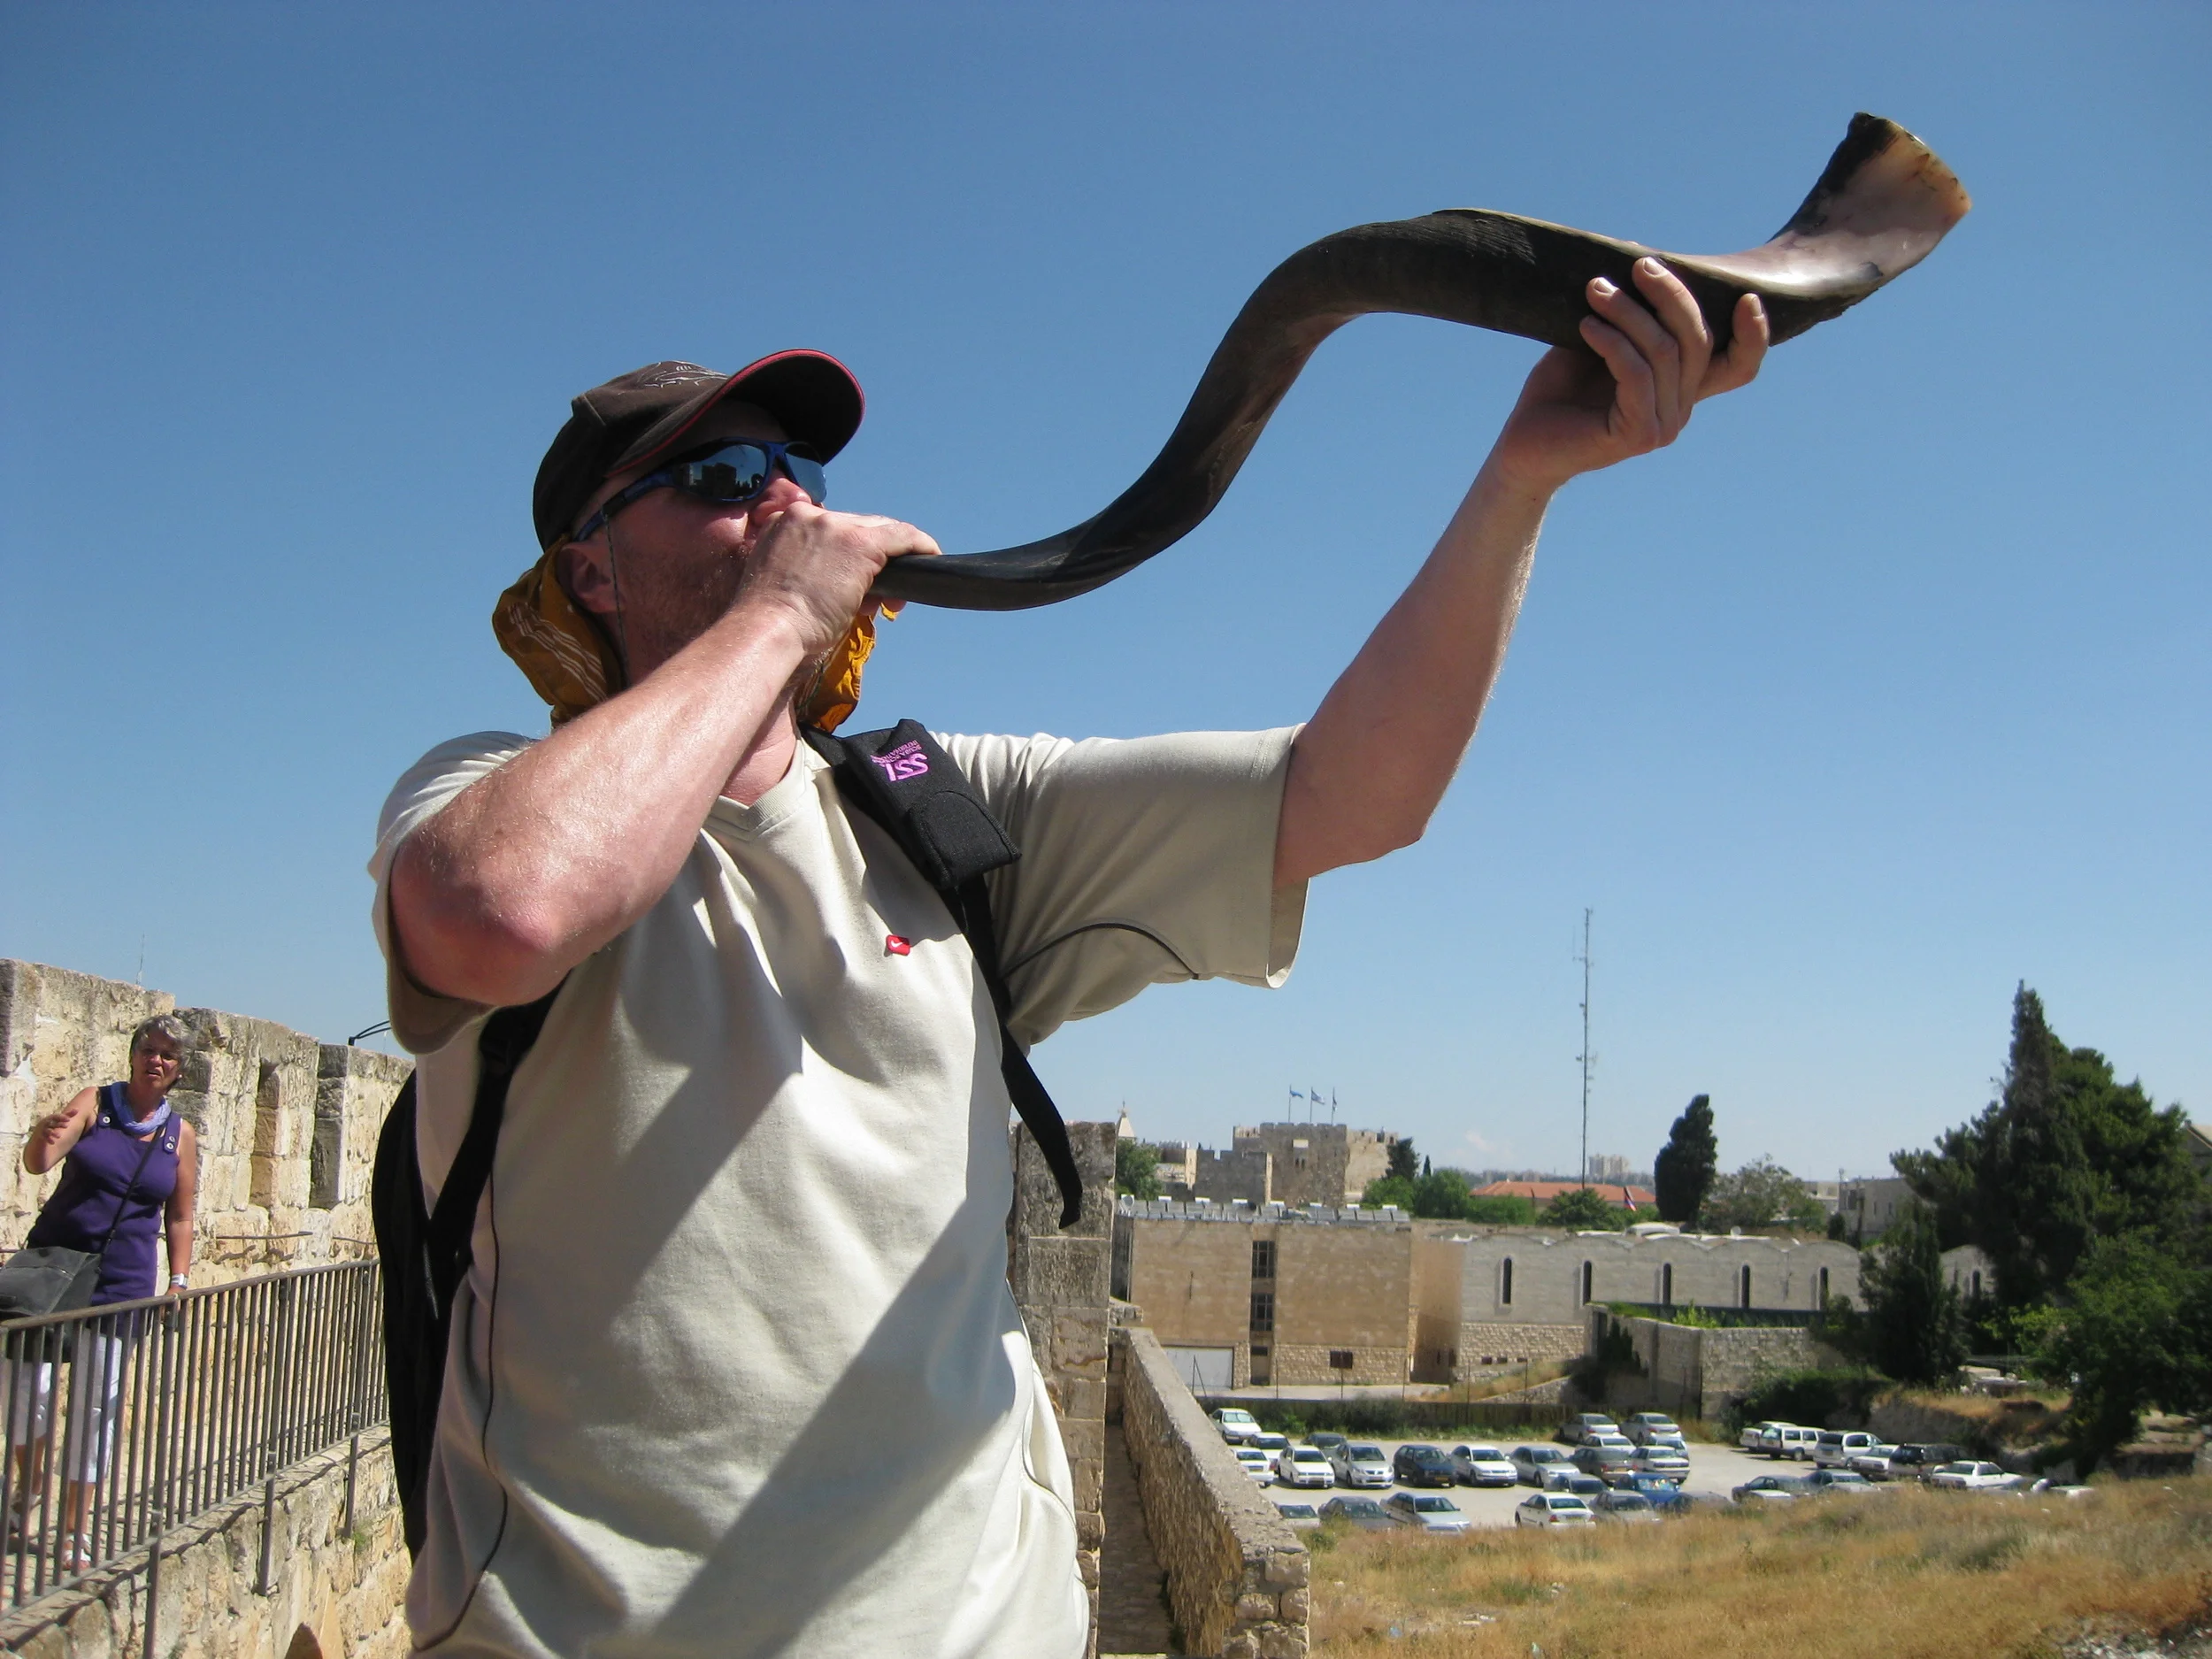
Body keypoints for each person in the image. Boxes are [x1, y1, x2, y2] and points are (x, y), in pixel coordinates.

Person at [373, 262, 1766, 1656]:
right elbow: (505, 909)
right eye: (725, 477)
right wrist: (782, 613)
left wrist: (1522, 477)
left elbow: (1353, 793)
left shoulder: (941, 814)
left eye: (798, 470)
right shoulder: (485, 797)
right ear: (591, 568)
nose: (787, 501)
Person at [8, 1013, 198, 1571]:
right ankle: (31, 1479)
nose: (156, 1060)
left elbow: (180, 1216)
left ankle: (73, 1529)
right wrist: (41, 1135)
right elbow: (40, 1162)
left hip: (122, 1283)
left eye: (168, 1055)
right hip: (57, 1270)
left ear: (179, 1070)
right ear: (133, 1054)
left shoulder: (179, 1136)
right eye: (149, 1049)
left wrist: (179, 1279)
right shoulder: (96, 1102)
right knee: (27, 1390)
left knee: (97, 1407)